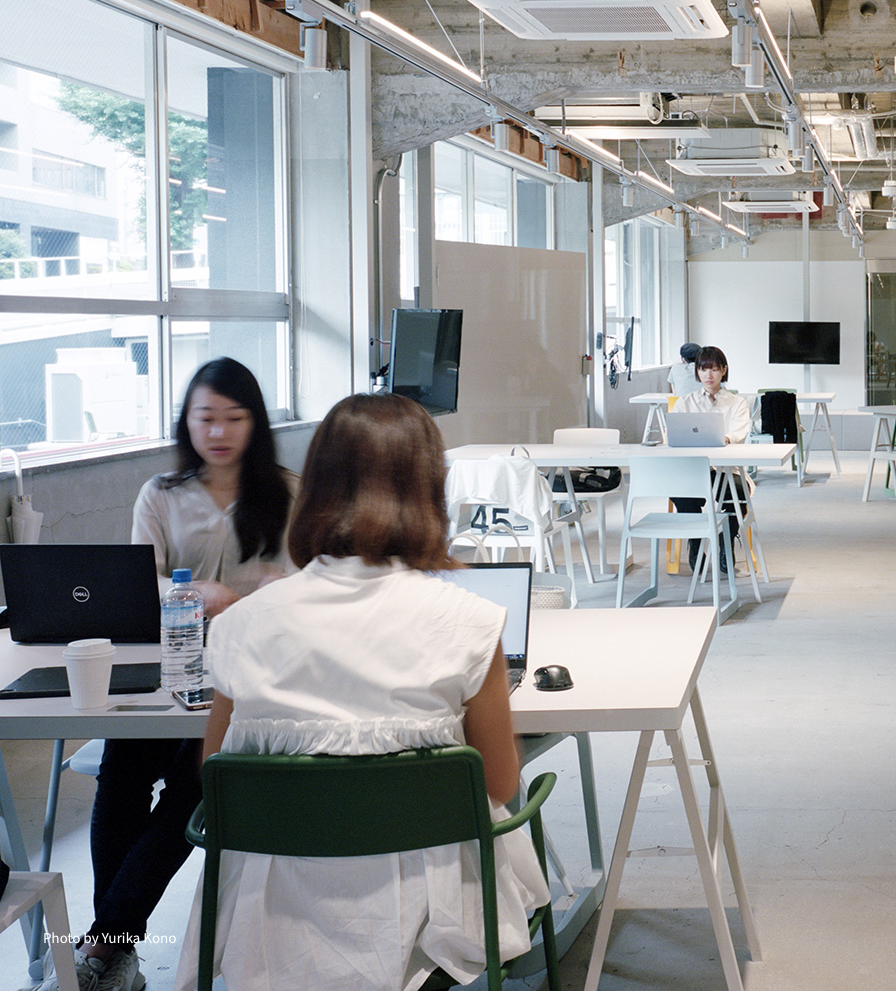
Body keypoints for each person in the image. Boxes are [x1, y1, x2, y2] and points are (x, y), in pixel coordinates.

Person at [173, 393, 548, 991]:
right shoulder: (471, 621)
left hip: (271, 923)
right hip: (430, 920)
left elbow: (218, 777)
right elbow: (499, 784)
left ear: (316, 488)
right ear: (429, 489)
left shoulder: (241, 624)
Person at [48, 359, 296, 991]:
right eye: (205, 417)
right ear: (186, 422)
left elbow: (309, 583)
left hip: (250, 680)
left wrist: (272, 590)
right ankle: (113, 949)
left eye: (234, 418)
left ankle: (104, 948)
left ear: (255, 423)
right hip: (171, 666)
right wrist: (194, 594)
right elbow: (141, 582)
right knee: (121, 775)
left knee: (195, 785)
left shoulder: (286, 493)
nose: (219, 431)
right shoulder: (160, 493)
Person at [672, 345, 750, 569]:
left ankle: (726, 543)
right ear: (697, 371)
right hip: (693, 470)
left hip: (725, 470)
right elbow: (674, 434)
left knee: (738, 492)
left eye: (714, 369)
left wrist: (724, 438)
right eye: (703, 369)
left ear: (723, 370)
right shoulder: (685, 402)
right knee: (681, 492)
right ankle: (696, 545)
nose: (708, 375)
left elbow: (738, 433)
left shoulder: (737, 403)